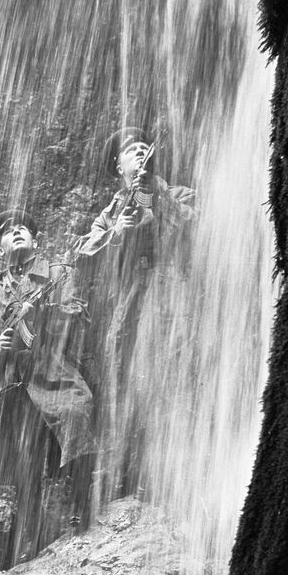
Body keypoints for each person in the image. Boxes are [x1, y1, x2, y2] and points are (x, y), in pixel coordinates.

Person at [0, 209, 96, 564]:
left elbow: (79, 313)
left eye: (23, 228)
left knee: (76, 413)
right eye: (7, 231)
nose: (17, 231)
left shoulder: (57, 273)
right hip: (15, 384)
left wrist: (49, 310)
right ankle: (25, 547)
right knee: (26, 465)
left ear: (36, 241)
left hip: (53, 367)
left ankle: (83, 512)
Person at [74, 127, 196, 499]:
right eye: (132, 150)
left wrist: (155, 195)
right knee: (127, 381)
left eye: (145, 147)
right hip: (126, 307)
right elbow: (81, 256)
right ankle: (132, 470)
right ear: (119, 165)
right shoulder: (110, 212)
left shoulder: (174, 192)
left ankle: (179, 467)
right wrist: (116, 235)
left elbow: (193, 226)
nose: (140, 152)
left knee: (171, 373)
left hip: (170, 296)